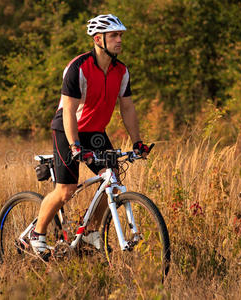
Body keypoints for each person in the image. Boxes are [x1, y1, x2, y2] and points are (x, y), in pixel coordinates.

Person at [30, 14, 150, 258]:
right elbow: (69, 111)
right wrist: (75, 146)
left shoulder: (121, 70)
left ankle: (89, 233)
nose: (119, 40)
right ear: (98, 39)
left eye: (120, 35)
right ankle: (36, 235)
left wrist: (137, 141)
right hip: (68, 130)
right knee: (66, 190)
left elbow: (127, 108)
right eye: (114, 35)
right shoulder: (78, 68)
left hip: (95, 132)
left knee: (112, 180)